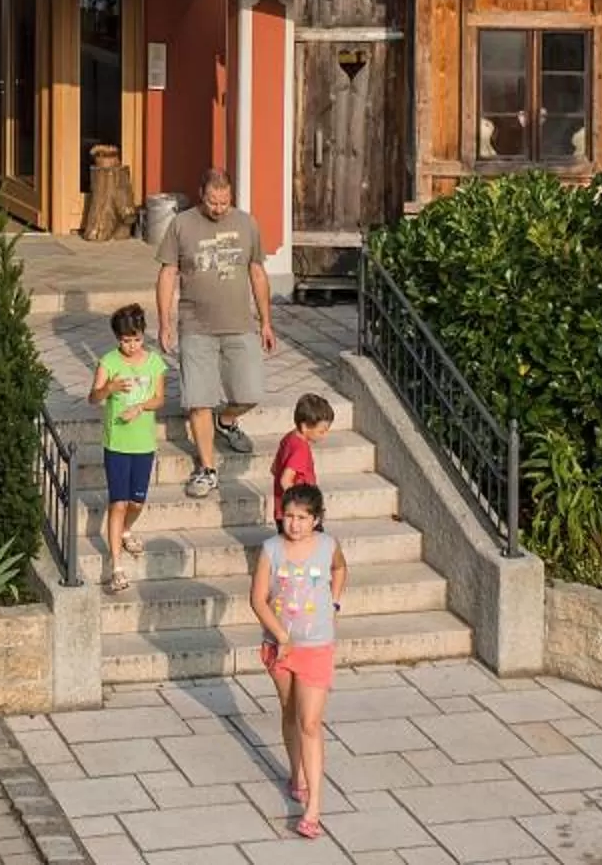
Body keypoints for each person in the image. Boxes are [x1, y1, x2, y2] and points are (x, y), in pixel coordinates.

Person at [156, 168, 274, 499]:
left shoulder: (247, 224)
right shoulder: (182, 225)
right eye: (212, 201)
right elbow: (167, 274)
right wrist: (165, 322)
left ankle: (227, 420)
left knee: (250, 392)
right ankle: (207, 469)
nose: (218, 208)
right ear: (201, 194)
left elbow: (257, 272)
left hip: (239, 324)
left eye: (224, 202)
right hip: (196, 327)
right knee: (199, 399)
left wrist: (265, 321)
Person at [252, 479, 346, 840]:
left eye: (302, 518)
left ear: (316, 519)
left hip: (317, 646)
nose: (294, 524)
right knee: (290, 711)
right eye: (289, 516)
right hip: (280, 648)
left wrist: (334, 603)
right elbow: (258, 599)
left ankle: (313, 808)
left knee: (310, 721)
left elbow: (340, 569)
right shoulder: (271, 550)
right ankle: (297, 773)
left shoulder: (327, 546)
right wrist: (281, 636)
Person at [90, 302, 166, 594]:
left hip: (143, 443)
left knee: (137, 502)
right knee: (118, 503)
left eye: (136, 339)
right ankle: (116, 567)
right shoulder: (108, 362)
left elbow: (159, 398)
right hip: (117, 443)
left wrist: (140, 407)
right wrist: (108, 389)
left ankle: (124, 530)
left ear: (143, 335)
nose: (131, 345)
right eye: (125, 340)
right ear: (117, 339)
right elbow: (93, 398)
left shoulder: (154, 362)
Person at [273, 392, 333, 523]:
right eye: (321, 431)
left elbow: (274, 469)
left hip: (283, 512)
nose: (325, 435)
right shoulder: (301, 450)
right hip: (301, 515)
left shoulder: (289, 438)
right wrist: (303, 505)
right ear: (305, 426)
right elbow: (285, 481)